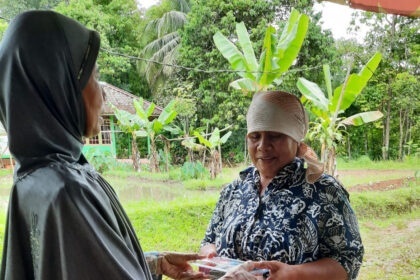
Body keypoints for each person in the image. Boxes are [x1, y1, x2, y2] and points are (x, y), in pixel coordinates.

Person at [0, 10, 203, 280]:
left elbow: (76, 266)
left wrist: (153, 262)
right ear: (60, 87)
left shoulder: (36, 180)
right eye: (94, 77)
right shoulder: (67, 192)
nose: (103, 92)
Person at [200, 91, 363, 280]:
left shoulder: (324, 191)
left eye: (275, 135)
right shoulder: (233, 191)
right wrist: (210, 254)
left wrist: (294, 274)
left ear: (295, 139)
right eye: (255, 136)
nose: (263, 145)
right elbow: (209, 240)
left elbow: (348, 260)